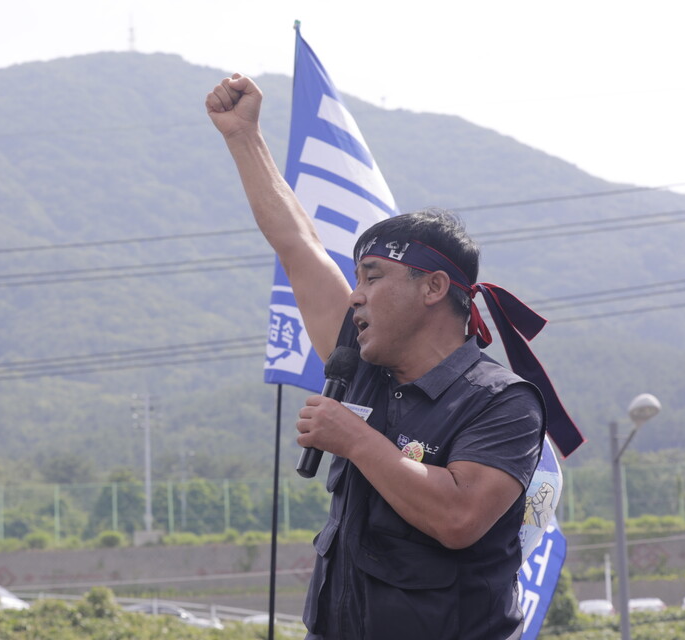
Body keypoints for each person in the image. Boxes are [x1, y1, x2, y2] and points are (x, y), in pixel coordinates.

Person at [206, 73, 547, 639]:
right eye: (355, 278)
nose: (355, 293)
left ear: (434, 288)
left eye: (373, 275)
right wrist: (244, 137)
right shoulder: (359, 371)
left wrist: (357, 439)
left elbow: (459, 518)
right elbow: (297, 245)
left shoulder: (501, 402)